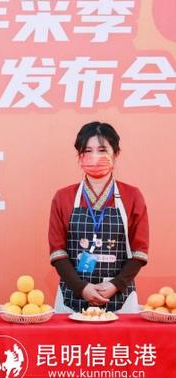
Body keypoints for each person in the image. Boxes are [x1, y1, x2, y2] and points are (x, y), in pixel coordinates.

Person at [49, 122, 148, 313]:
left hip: (120, 297)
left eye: (102, 150)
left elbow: (140, 252)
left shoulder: (132, 196)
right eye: (88, 150)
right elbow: (57, 252)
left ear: (116, 153)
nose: (95, 156)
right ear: (80, 155)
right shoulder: (63, 197)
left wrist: (115, 284)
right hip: (72, 296)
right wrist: (81, 288)